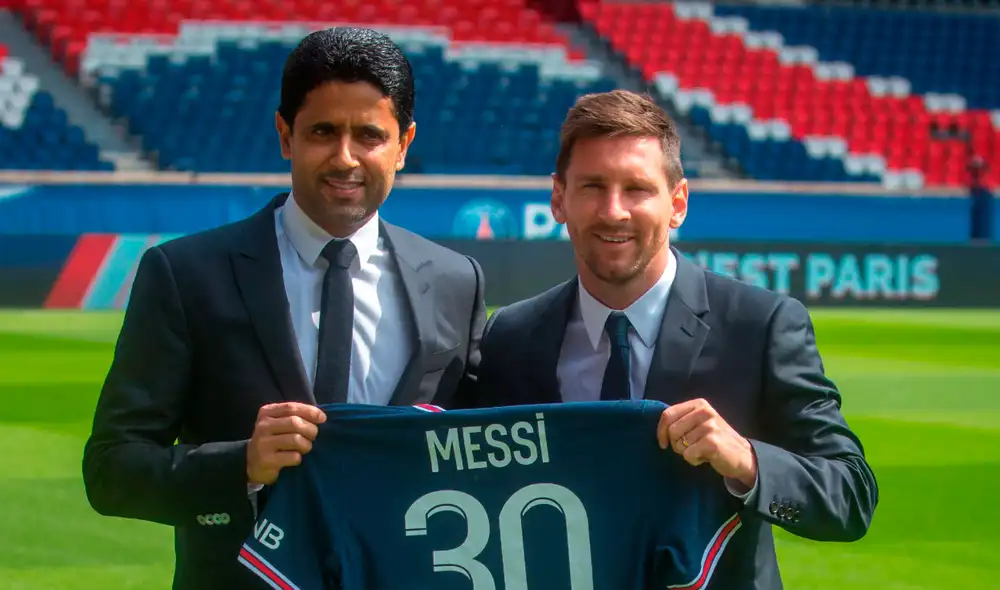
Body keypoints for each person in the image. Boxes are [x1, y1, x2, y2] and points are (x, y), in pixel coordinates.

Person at [82, 27, 486, 590]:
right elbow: (110, 470)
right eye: (323, 131)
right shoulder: (186, 275)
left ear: (404, 144)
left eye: (369, 135)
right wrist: (241, 463)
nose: (345, 158)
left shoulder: (454, 281)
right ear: (284, 135)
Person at [472, 90, 878, 588]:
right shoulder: (511, 336)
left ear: (677, 203)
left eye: (637, 189)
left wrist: (747, 460)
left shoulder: (760, 325)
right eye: (593, 186)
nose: (613, 211)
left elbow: (850, 498)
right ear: (559, 199)